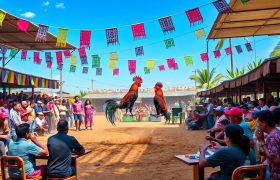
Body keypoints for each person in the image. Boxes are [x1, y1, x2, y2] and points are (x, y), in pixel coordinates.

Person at [256, 110, 280, 179]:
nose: (257, 125)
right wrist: (264, 153)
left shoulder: (272, 136)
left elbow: (276, 159)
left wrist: (262, 142)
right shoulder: (277, 132)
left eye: (258, 122)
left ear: (264, 123)